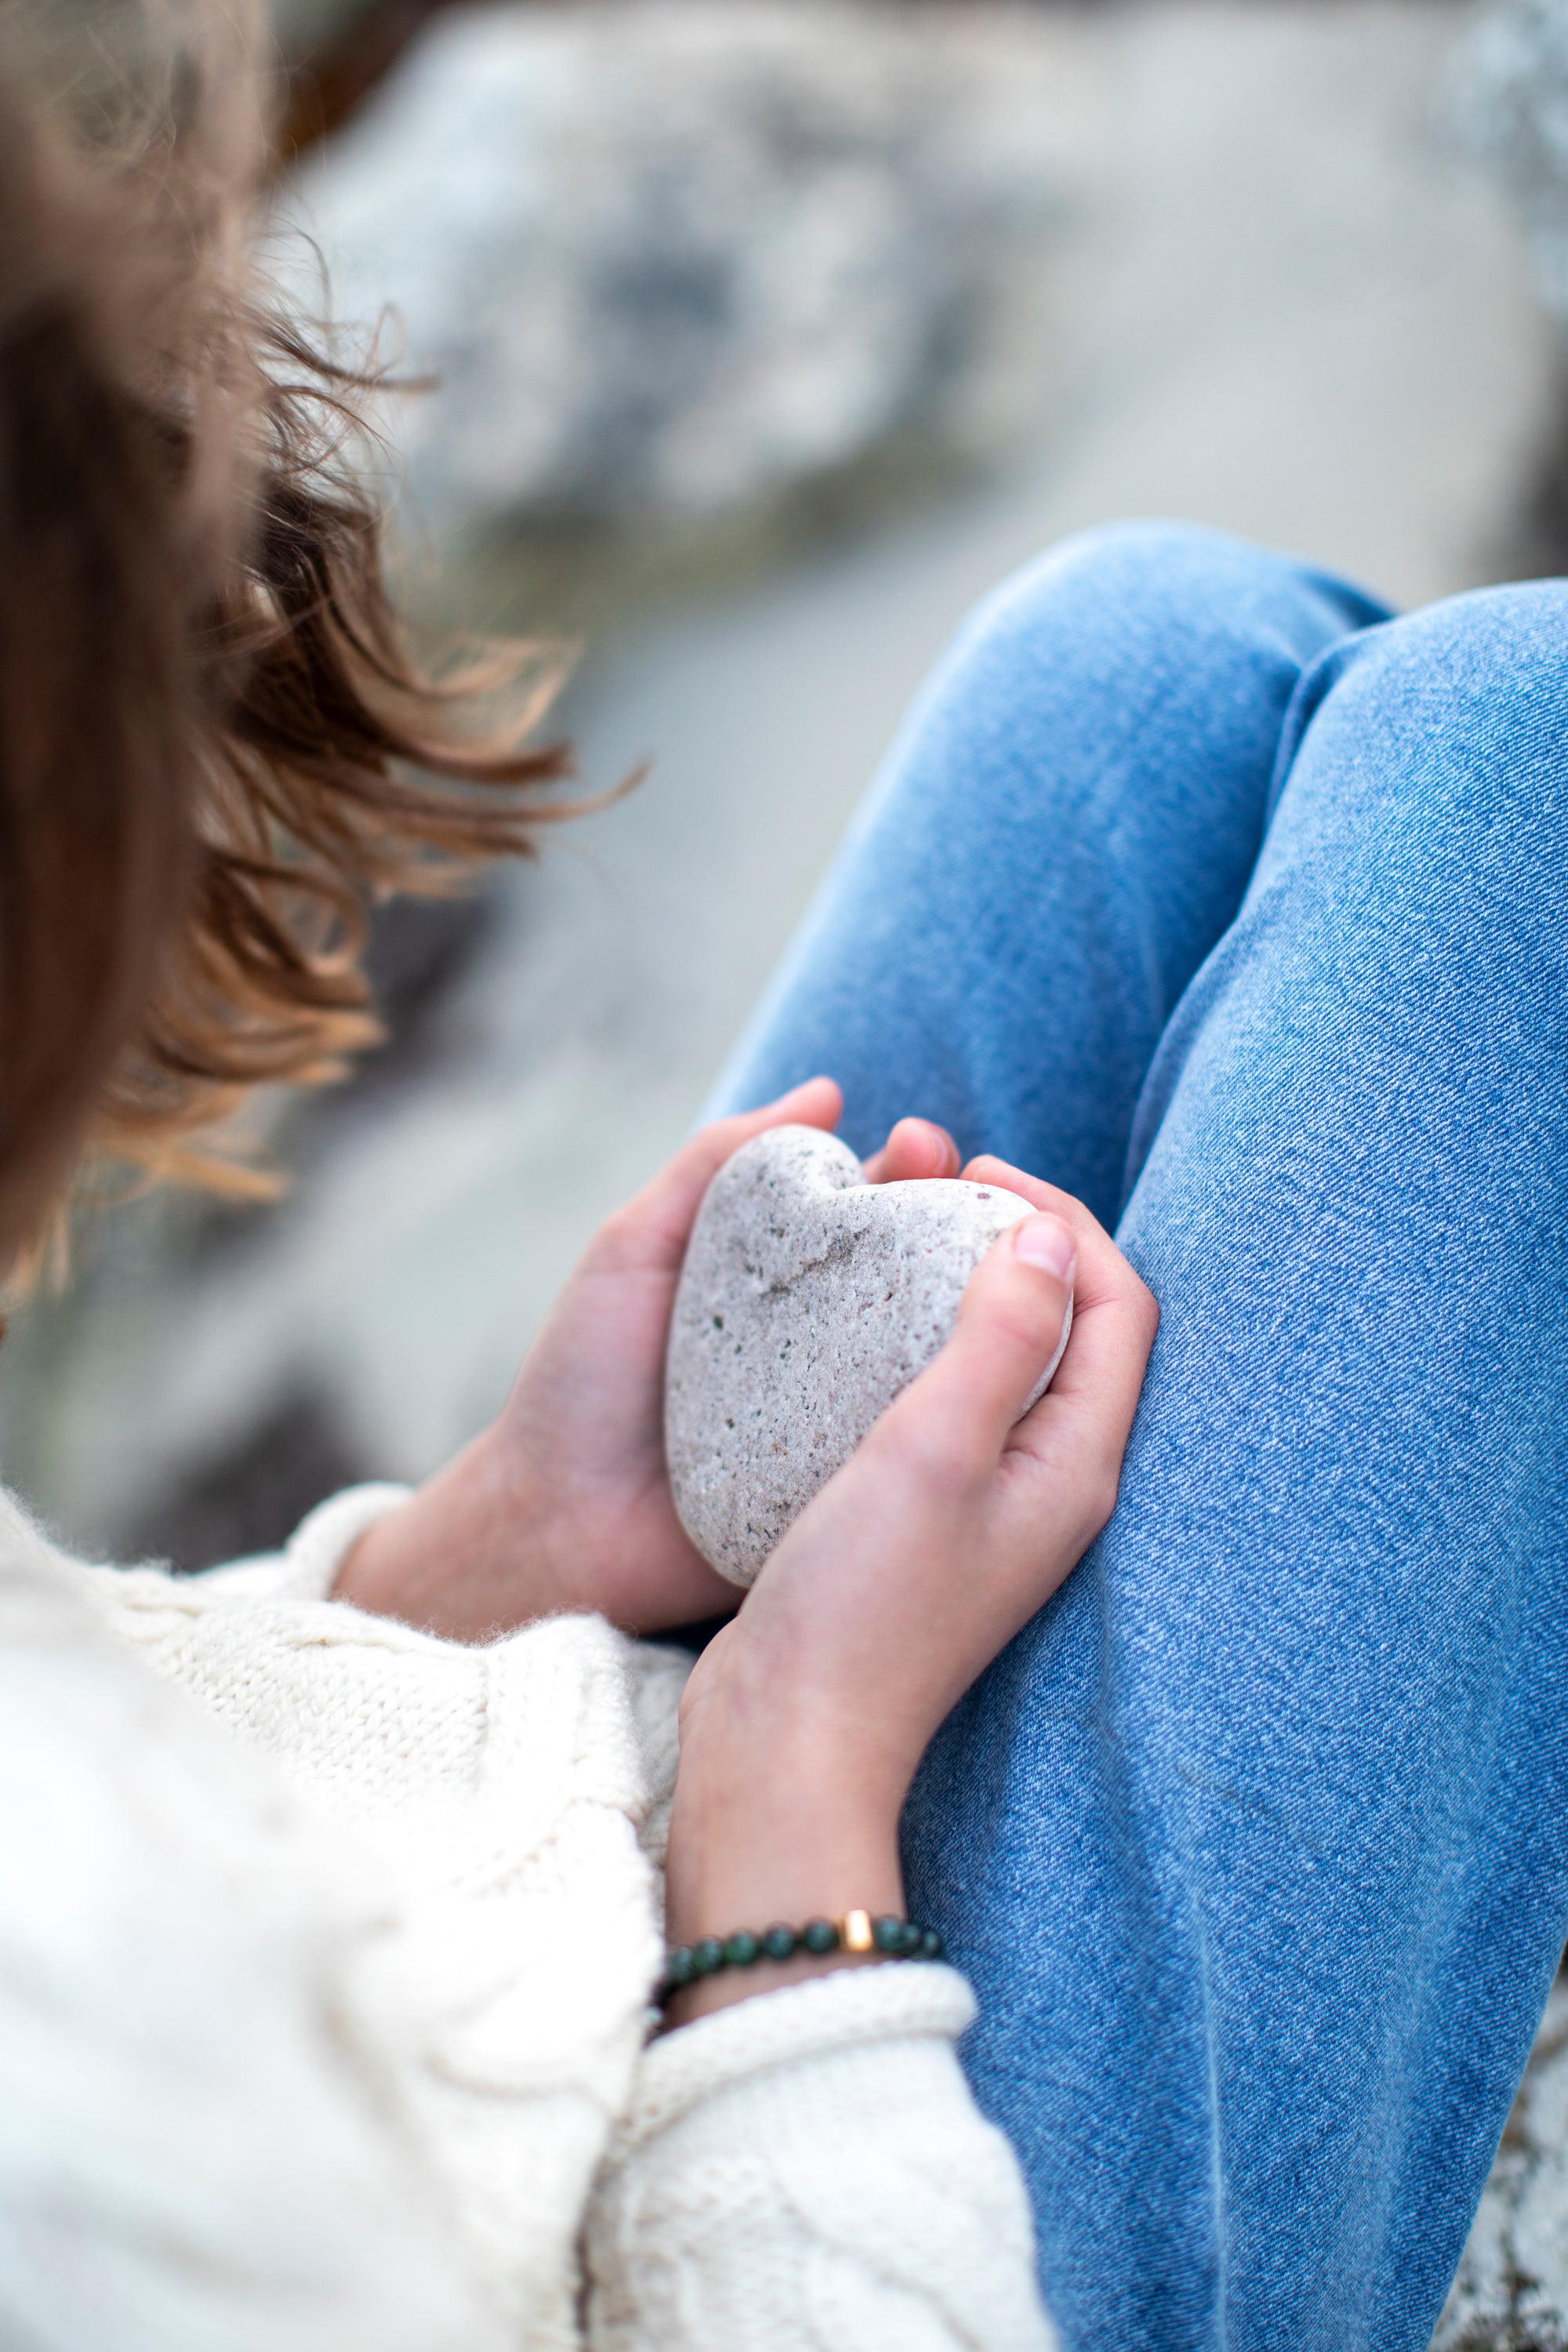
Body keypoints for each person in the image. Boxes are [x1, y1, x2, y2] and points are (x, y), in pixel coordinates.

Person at [1, 12, 1563, 2352]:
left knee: (1136, 658)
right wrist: (794, 1823)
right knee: (1515, 780)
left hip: (546, 1915)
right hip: (812, 2181)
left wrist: (474, 1556)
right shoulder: (103, 2150)